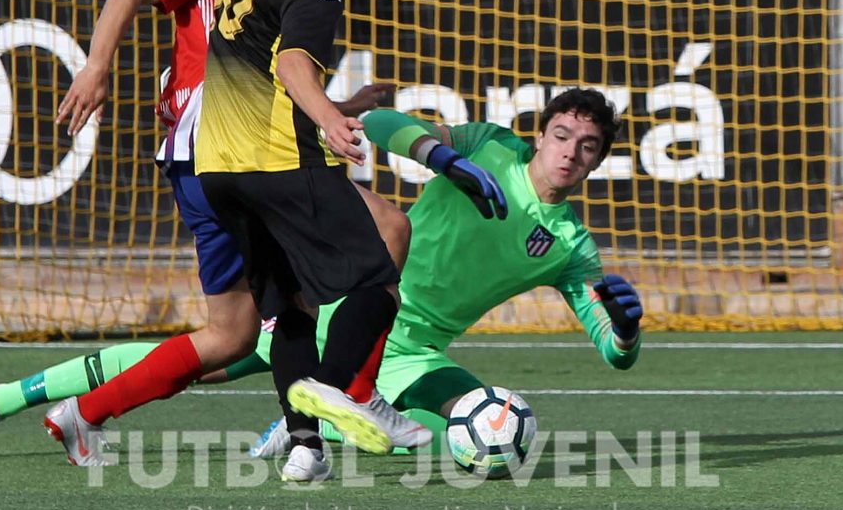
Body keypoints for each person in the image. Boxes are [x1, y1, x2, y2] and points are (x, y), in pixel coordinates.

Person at [0, 0, 419, 472]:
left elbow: (266, 74)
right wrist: (97, 66)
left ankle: (90, 412)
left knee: (234, 334)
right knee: (385, 234)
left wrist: (335, 107)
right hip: (226, 152)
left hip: (217, 156)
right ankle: (351, 391)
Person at [192, 0, 509, 482]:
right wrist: (332, 122)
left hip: (219, 168)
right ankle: (345, 391)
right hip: (279, 159)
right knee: (380, 273)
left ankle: (306, 450)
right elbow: (289, 64)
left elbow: (262, 52)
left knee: (291, 310)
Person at [226, 87, 644, 457]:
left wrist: (626, 333)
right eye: (561, 136)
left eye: (588, 146)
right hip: (347, 309)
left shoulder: (572, 246)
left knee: (490, 435)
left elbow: (612, 348)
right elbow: (380, 122)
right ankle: (324, 410)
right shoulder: (487, 145)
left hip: (415, 355)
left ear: (598, 161)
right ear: (539, 138)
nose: (570, 152)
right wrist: (444, 160)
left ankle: (319, 424)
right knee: (212, 353)